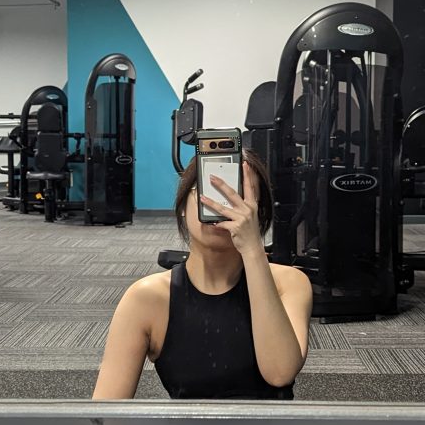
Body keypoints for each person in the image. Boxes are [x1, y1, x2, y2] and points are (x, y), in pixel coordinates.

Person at [92, 149, 312, 400]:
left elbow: (280, 373)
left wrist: (252, 249)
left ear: (258, 215)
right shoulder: (147, 298)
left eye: (237, 197)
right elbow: (105, 411)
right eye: (210, 192)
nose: (220, 207)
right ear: (183, 206)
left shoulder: (289, 283)